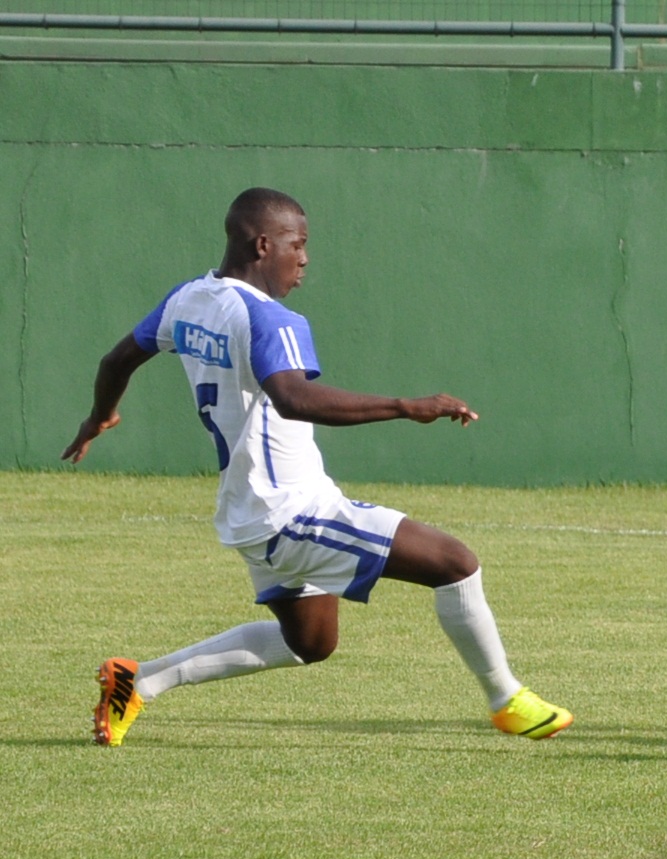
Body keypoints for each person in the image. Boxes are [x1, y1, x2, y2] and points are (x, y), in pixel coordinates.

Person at [65, 187, 572, 746]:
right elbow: (295, 399)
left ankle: (140, 680)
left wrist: (100, 415)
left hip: (248, 509)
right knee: (456, 564)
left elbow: (117, 360)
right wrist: (409, 406)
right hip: (292, 511)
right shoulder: (271, 318)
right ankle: (507, 699)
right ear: (263, 244)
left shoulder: (188, 299)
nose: (304, 259)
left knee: (311, 642)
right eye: (297, 244)